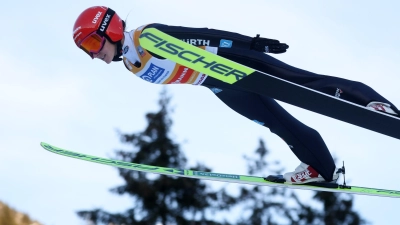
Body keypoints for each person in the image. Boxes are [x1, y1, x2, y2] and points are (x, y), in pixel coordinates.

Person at [72, 6, 400, 184]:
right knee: (276, 122)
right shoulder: (131, 63)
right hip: (218, 85)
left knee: (303, 82)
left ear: (110, 30)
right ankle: (321, 169)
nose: (92, 54)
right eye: (86, 50)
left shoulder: (148, 38)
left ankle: (374, 105)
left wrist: (251, 44)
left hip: (233, 63)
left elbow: (203, 37)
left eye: (91, 44)